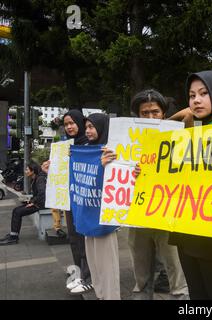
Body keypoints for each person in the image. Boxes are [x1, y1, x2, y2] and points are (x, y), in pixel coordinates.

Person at [102, 89, 188, 300]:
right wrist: (109, 163)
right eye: (145, 113)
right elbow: (116, 172)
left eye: (156, 112)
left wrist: (168, 123)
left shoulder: (175, 135)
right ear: (137, 116)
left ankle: (180, 295)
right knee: (140, 267)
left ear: (163, 114)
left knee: (174, 265)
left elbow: (189, 114)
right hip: (137, 214)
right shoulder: (124, 141)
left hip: (167, 213)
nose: (150, 117)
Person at [169, 70, 212, 300]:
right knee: (197, 294)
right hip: (185, 233)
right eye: (191, 95)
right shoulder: (186, 137)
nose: (196, 100)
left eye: (204, 93)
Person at [76, 113, 121, 300]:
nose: (87, 131)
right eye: (86, 127)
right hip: (88, 215)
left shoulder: (112, 151)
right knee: (95, 266)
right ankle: (101, 296)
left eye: (91, 127)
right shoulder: (86, 150)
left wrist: (102, 165)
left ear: (102, 128)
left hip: (104, 219)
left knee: (107, 267)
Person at [62, 109, 92, 294]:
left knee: (84, 238)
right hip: (69, 197)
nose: (69, 127)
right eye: (66, 124)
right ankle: (79, 274)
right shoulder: (65, 146)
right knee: (73, 237)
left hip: (85, 199)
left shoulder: (89, 144)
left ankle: (89, 277)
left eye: (72, 123)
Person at [0, 161, 47, 245]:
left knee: (18, 212)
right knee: (16, 210)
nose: (25, 171)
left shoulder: (40, 179)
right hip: (38, 202)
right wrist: (30, 200)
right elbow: (37, 193)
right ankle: (13, 234)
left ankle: (13, 237)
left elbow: (42, 193)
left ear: (32, 171)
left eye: (27, 169)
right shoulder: (36, 178)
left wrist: (33, 202)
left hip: (41, 204)